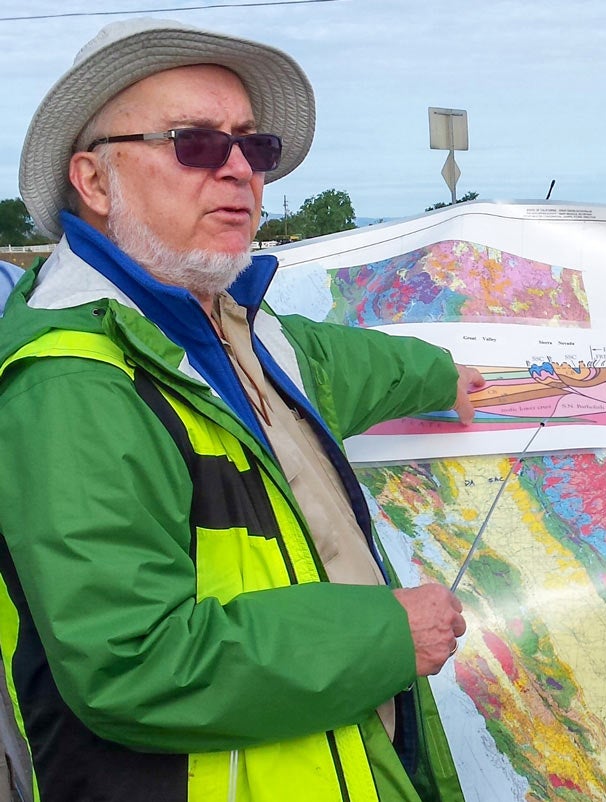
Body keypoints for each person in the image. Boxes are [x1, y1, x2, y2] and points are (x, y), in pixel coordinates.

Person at [0, 18, 485, 802]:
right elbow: (132, 661)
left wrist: (446, 377)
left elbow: (348, 365)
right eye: (194, 143)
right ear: (93, 182)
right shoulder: (73, 386)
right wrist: (387, 636)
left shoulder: (233, 331)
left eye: (252, 148)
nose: (238, 171)